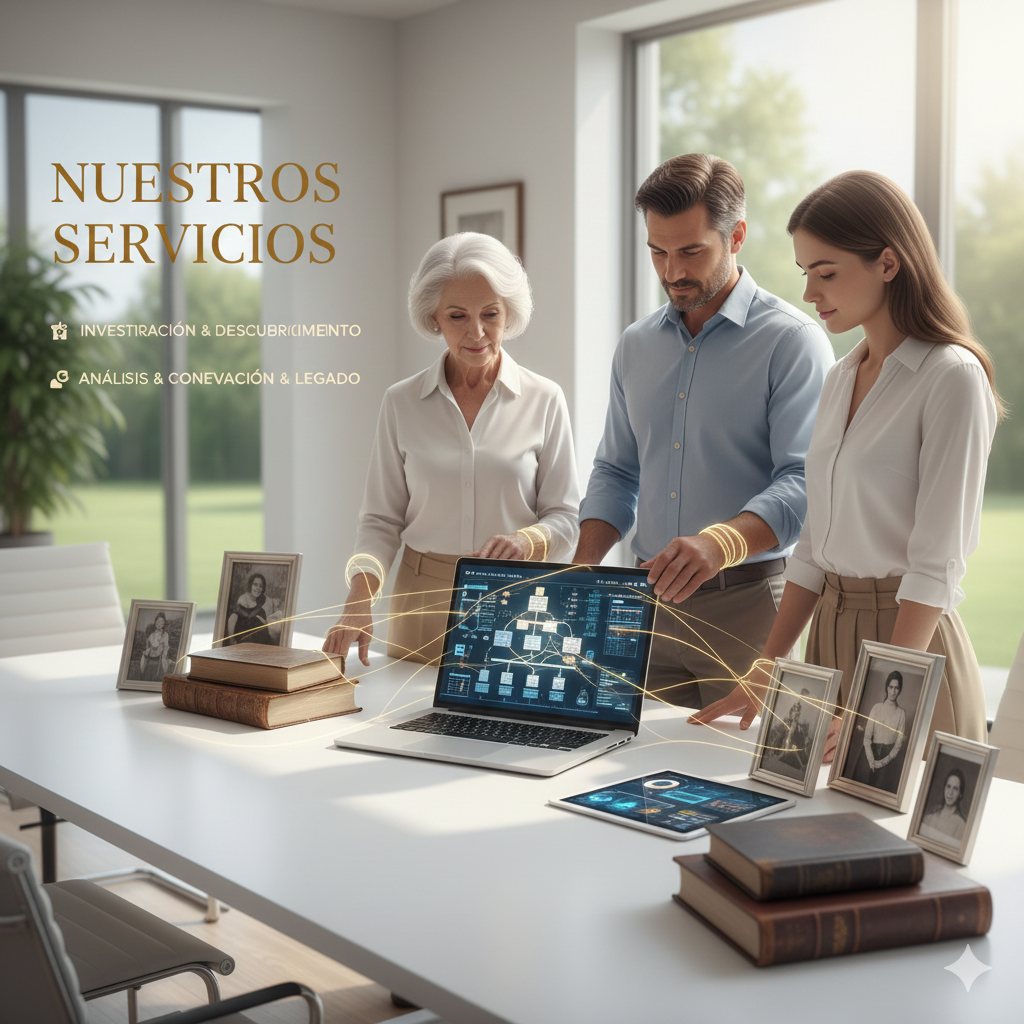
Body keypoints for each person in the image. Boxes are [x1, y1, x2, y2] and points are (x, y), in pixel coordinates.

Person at [691, 170, 1001, 753]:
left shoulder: (951, 378)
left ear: (888, 263)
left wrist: (882, 699)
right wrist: (768, 666)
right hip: (826, 642)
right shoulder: (840, 378)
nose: (811, 293)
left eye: (827, 272)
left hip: (907, 650)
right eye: (805, 272)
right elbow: (812, 548)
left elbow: (935, 567)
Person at [573, 153, 834, 709]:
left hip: (748, 608)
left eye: (691, 251)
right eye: (658, 252)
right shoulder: (636, 345)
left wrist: (719, 543)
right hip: (645, 607)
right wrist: (583, 566)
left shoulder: (792, 342)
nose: (672, 272)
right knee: (625, 759)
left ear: (736, 235)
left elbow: (805, 481)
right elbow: (616, 470)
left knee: (738, 763)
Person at [324, 232, 579, 668]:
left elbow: (566, 518)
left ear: (509, 313)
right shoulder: (401, 402)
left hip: (516, 600)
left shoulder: (545, 399)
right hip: (419, 600)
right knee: (403, 710)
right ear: (434, 318)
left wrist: (526, 540)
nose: (476, 332)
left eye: (490, 314)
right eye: (457, 316)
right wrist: (359, 597)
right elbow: (381, 521)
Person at [849, 671, 906, 793]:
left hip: (889, 759)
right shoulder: (877, 708)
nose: (893, 691)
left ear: (900, 690)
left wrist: (882, 762)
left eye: (896, 688)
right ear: (887, 687)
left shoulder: (901, 713)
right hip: (870, 754)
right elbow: (867, 737)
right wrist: (871, 760)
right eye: (891, 687)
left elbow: (898, 744)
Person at [226, 573, 283, 645]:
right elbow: (233, 618)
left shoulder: (262, 609)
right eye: (255, 585)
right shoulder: (242, 601)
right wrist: (231, 640)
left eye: (260, 586)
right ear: (250, 585)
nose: (258, 588)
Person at [920, 767, 969, 844]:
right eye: (948, 786)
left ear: (960, 794)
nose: (950, 792)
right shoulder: (929, 817)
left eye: (955, 789)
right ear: (944, 788)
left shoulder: (961, 826)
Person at [139, 613, 170, 680]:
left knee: (158, 676)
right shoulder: (152, 635)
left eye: (161, 621)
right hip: (150, 658)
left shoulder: (165, 635)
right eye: (158, 621)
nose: (159, 623)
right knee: (147, 675)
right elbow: (148, 645)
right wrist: (147, 651)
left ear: (164, 623)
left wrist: (164, 655)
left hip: (159, 659)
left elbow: (166, 647)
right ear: (155, 622)